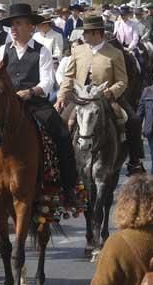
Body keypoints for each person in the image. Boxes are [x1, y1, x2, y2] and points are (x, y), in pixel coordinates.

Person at [0, 4, 78, 204]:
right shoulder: (2, 49)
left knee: (63, 135)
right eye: (12, 24)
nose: (14, 28)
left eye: (19, 24)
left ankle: (68, 186)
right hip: (6, 106)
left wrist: (29, 92)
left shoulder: (42, 51)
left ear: (31, 27)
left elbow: (47, 82)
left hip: (34, 103)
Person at [56, 14, 146, 175]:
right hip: (81, 98)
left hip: (105, 97)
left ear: (97, 33)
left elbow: (122, 81)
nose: (83, 36)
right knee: (62, 120)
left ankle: (135, 161)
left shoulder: (114, 53)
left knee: (132, 119)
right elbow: (69, 76)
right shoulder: (78, 51)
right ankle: (62, 160)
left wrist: (111, 91)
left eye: (86, 33)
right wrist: (62, 96)